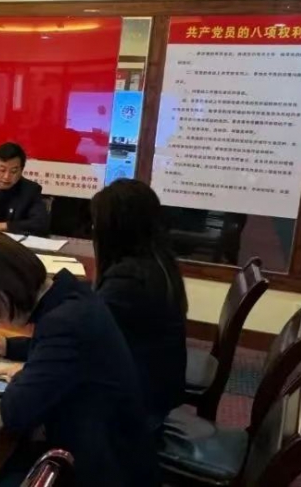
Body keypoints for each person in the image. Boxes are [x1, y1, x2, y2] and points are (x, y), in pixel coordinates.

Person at [0, 231, 158, 487]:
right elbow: (59, 349)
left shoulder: (64, 325)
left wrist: (23, 375)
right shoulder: (72, 294)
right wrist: (9, 346)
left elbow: (15, 412)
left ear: (2, 296)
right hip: (117, 444)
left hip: (103, 468)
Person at [91, 179, 187, 434]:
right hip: (154, 388)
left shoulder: (129, 280)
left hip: (137, 405)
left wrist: (21, 348)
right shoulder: (156, 260)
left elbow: (83, 337)